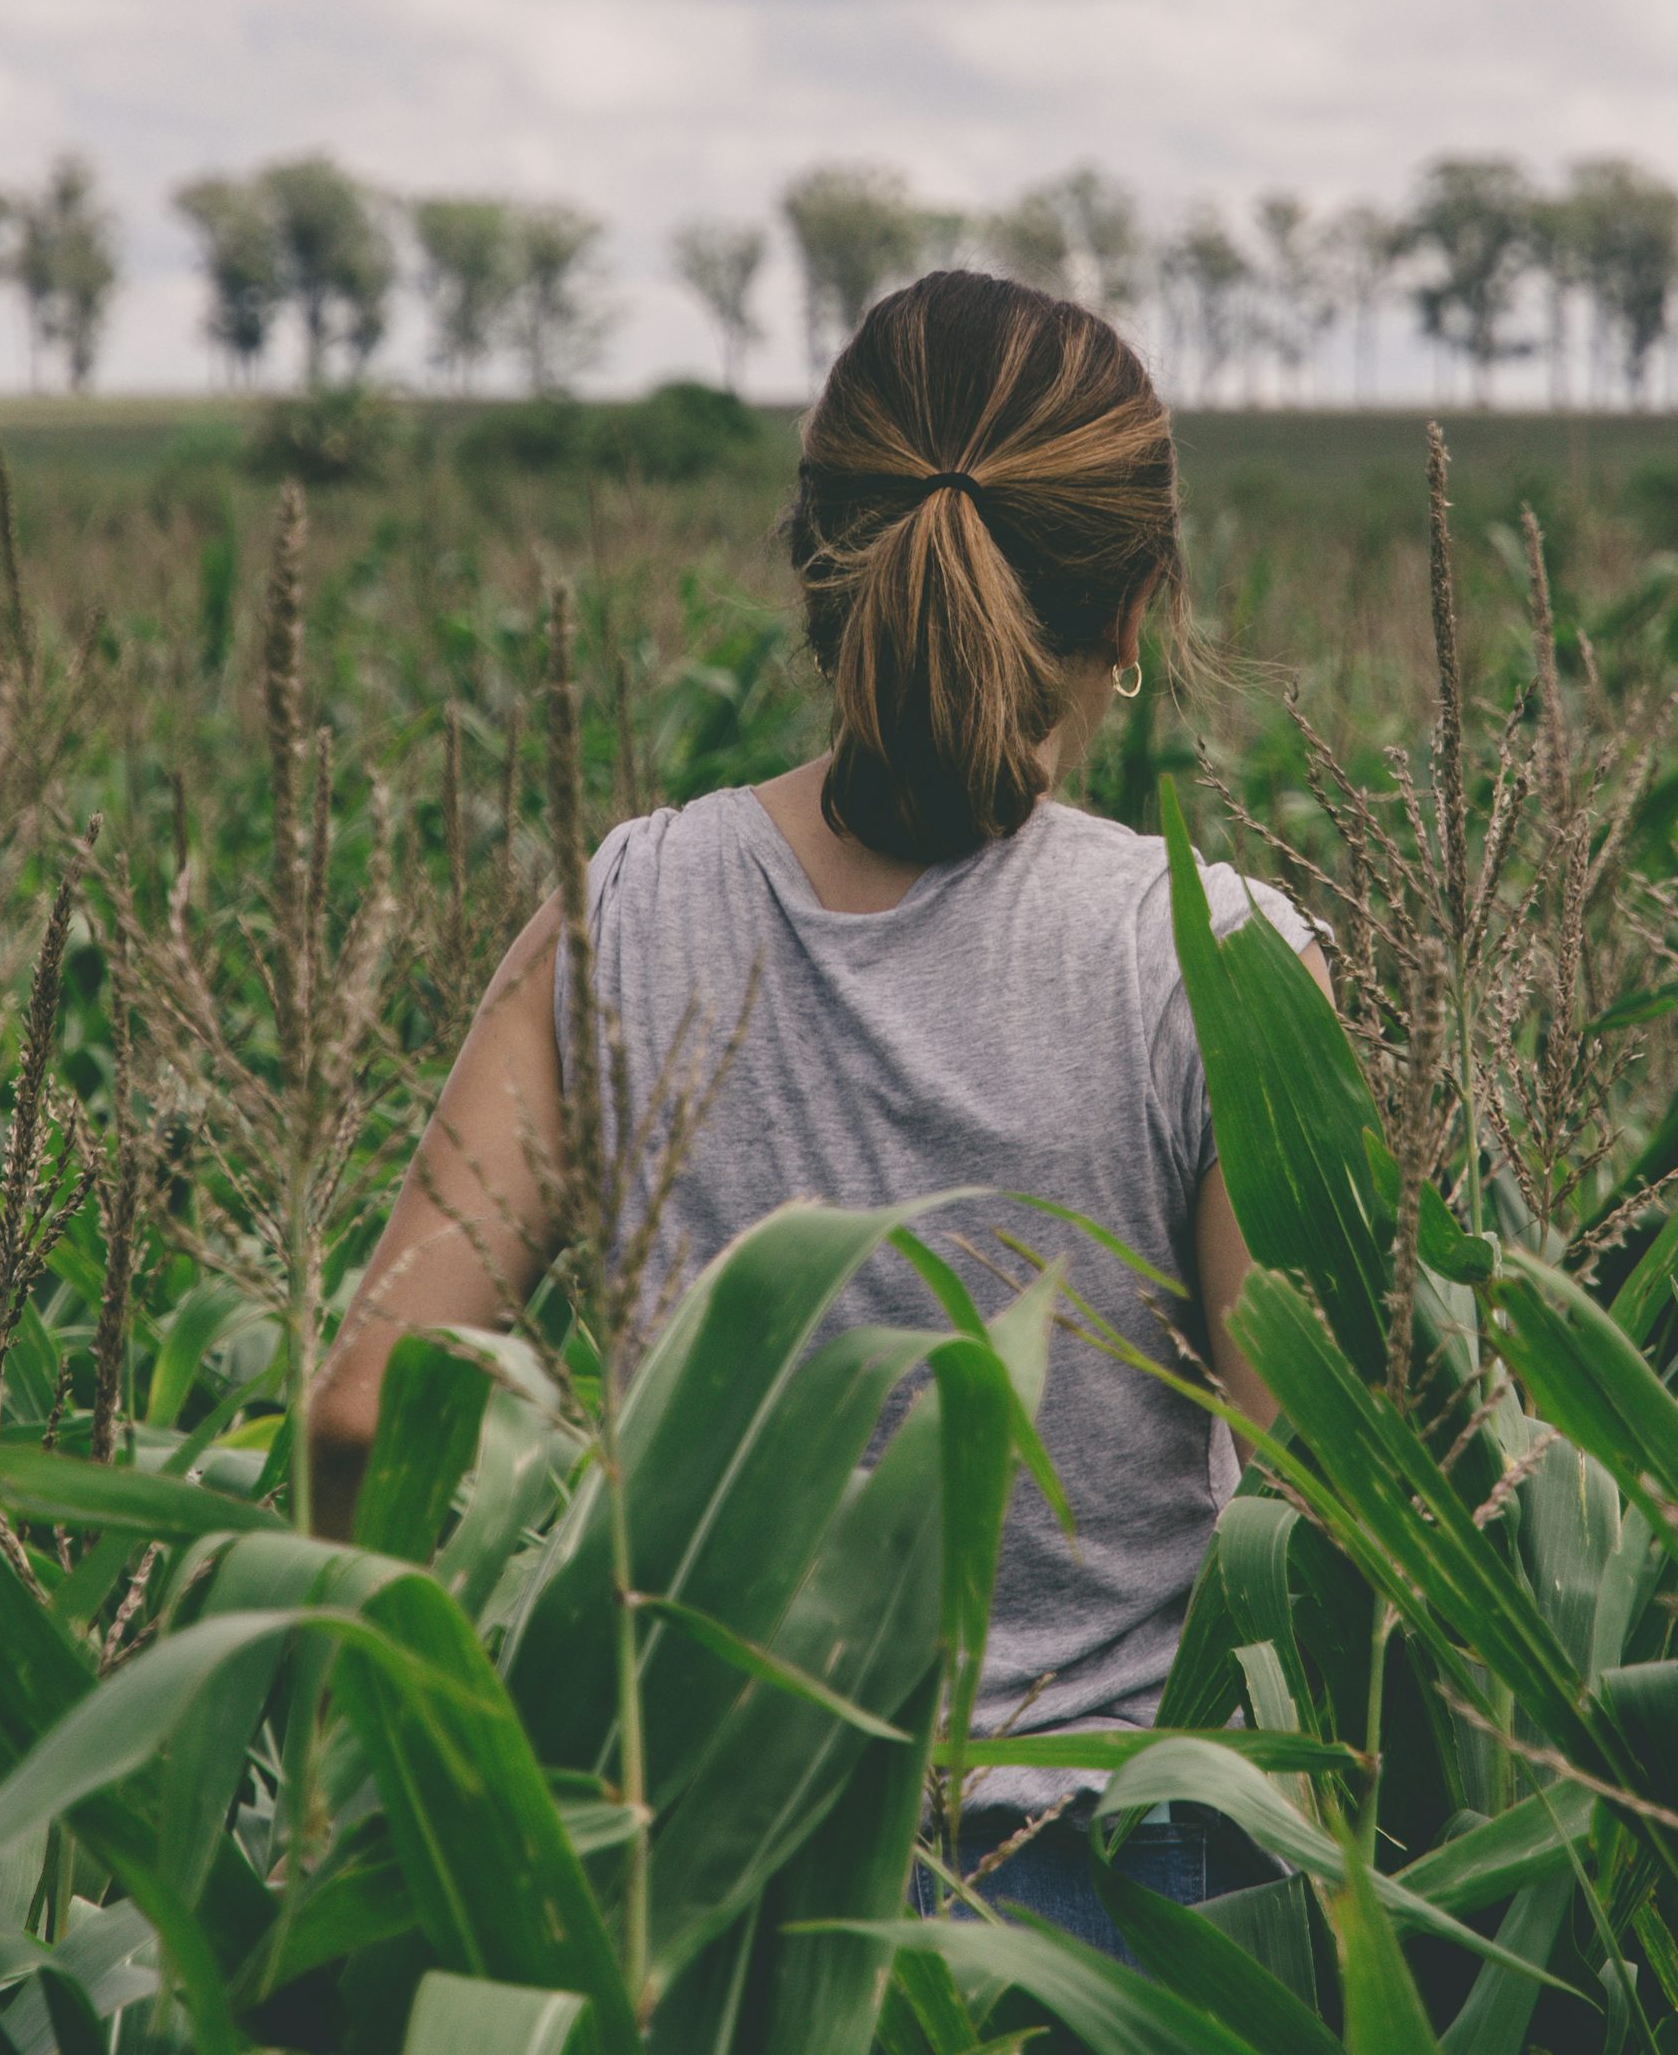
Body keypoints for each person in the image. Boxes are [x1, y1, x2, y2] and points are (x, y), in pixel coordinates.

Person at [305, 262, 1321, 1949]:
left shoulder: (618, 908)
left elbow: (360, 1417)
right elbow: (1307, 1494)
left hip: (706, 1899)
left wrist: (422, 1790)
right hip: (1136, 1919)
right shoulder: (1221, 966)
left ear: (812, 565)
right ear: (1138, 612)